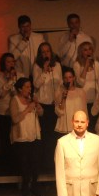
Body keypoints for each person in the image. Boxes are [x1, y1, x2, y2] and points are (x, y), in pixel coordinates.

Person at [10, 77, 43, 196]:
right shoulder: (15, 100)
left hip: (33, 136)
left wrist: (37, 105)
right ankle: (25, 187)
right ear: (20, 89)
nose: (30, 89)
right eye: (27, 87)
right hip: (21, 137)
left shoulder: (31, 99)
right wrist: (27, 109)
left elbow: (41, 113)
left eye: (30, 87)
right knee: (25, 164)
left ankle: (35, 185)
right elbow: (14, 119)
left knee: (35, 162)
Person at [32, 42, 62, 170]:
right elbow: (36, 84)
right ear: (40, 54)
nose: (45, 54)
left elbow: (60, 83)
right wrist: (44, 71)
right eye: (43, 52)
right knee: (45, 136)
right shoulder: (37, 67)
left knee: (55, 136)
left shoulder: (58, 66)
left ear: (51, 53)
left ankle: (54, 165)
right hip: (43, 105)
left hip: (54, 104)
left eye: (47, 51)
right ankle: (44, 165)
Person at [0, 52, 19, 166]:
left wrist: (15, 80)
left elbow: (17, 93)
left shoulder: (17, 75)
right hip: (3, 112)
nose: (11, 64)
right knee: (5, 138)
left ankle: (14, 162)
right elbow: (2, 93)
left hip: (15, 111)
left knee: (14, 138)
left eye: (13, 61)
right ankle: (4, 163)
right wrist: (11, 81)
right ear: (4, 63)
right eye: (8, 61)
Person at [73, 41, 99, 131]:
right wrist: (86, 66)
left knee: (94, 125)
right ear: (81, 52)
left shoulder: (96, 64)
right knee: (84, 125)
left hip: (94, 100)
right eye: (85, 50)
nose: (88, 52)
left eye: (90, 49)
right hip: (82, 100)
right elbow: (80, 83)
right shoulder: (77, 65)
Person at [7, 15, 46, 79]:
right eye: (23, 27)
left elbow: (44, 53)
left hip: (37, 73)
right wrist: (23, 41)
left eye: (27, 26)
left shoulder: (39, 37)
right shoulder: (13, 39)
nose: (26, 29)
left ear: (30, 25)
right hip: (22, 75)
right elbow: (12, 58)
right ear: (19, 27)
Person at [54, 67, 87, 135]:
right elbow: (59, 112)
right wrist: (63, 98)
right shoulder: (59, 92)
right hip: (64, 127)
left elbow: (85, 111)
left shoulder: (81, 92)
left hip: (78, 127)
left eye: (70, 77)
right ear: (63, 79)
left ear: (74, 78)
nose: (68, 80)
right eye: (65, 78)